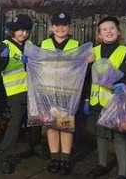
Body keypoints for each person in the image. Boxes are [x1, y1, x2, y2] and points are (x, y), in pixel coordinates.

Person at [84, 16, 126, 179]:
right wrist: (88, 64)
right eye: (104, 29)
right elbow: (86, 77)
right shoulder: (93, 52)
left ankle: (122, 172)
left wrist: (116, 83)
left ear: (118, 32)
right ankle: (102, 164)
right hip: (97, 100)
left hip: (117, 101)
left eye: (112, 28)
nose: (108, 32)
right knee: (101, 135)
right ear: (99, 34)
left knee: (119, 136)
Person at [0, 14, 34, 174]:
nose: (23, 33)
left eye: (26, 30)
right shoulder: (4, 46)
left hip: (31, 91)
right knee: (15, 126)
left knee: (34, 123)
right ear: (13, 31)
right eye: (19, 30)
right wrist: (1, 60)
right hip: (15, 92)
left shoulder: (29, 45)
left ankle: (34, 148)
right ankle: (4, 158)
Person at [40, 11, 80, 175]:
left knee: (65, 127)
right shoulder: (44, 45)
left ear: (69, 28)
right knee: (51, 127)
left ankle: (65, 160)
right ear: (51, 27)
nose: (60, 29)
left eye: (64, 25)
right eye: (57, 25)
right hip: (48, 92)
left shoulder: (76, 45)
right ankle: (54, 158)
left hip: (66, 93)